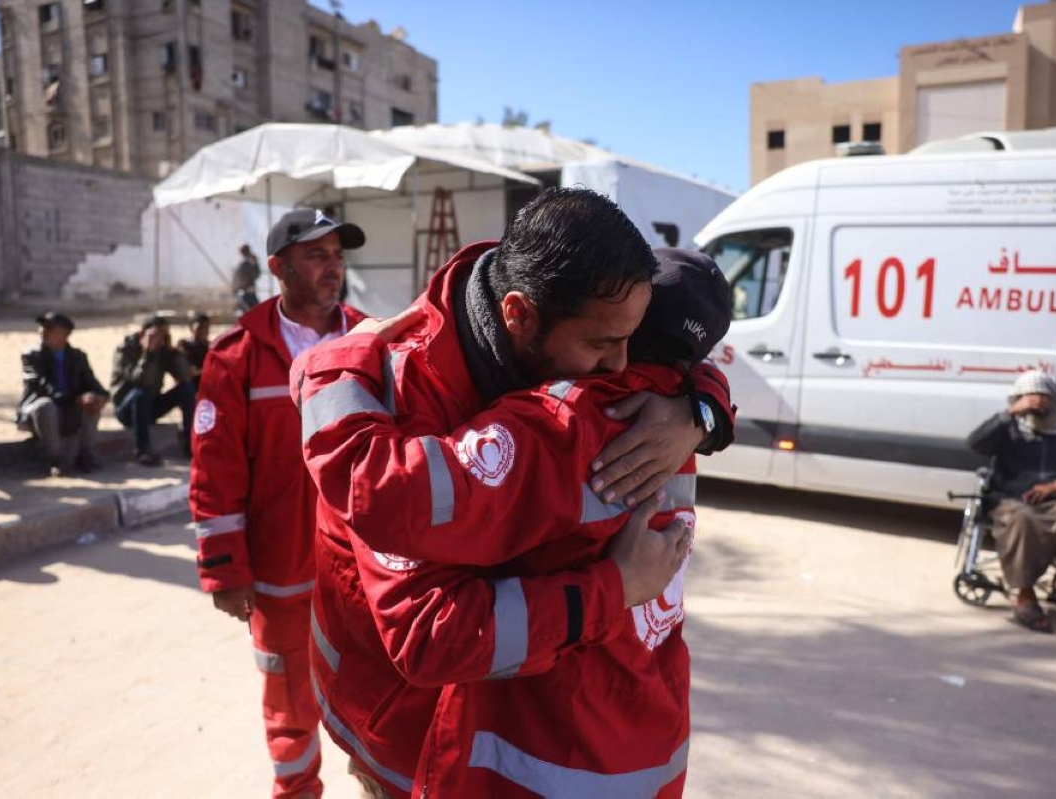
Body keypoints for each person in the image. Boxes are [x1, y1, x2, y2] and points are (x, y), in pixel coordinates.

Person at [294, 189, 734, 796]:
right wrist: (613, 590)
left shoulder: (621, 372)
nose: (621, 367)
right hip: (402, 733)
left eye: (633, 341)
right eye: (604, 345)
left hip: (482, 733)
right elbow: (430, 632)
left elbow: (672, 357)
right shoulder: (408, 400)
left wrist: (701, 406)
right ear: (519, 315)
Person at [189, 209, 367, 798]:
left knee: (381, 701)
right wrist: (224, 568)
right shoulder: (236, 355)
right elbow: (216, 469)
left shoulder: (371, 340)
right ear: (278, 268)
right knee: (291, 707)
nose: (332, 268)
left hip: (364, 572)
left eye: (337, 256)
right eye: (317, 256)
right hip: (281, 575)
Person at [967, 369, 1056, 633]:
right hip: (1014, 499)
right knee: (1021, 517)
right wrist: (1011, 412)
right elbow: (975, 444)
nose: (1036, 408)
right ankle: (1024, 593)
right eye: (1029, 401)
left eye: (1042, 402)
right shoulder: (1008, 425)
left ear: (1055, 401)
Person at [15, 311, 109, 475]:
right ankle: (56, 459)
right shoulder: (32, 355)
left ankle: (86, 455)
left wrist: (100, 397)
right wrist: (75, 399)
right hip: (39, 411)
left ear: (64, 334)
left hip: (69, 410)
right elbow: (42, 386)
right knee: (46, 405)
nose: (43, 331)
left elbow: (93, 384)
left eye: (50, 328)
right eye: (42, 327)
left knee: (93, 402)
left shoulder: (78, 356)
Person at [111, 315, 195, 466]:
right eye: (158, 334)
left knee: (186, 390)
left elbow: (184, 377)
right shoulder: (125, 350)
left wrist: (174, 353)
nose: (160, 338)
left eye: (164, 334)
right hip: (126, 409)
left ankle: (190, 444)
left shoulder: (163, 350)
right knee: (141, 393)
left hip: (150, 406)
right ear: (143, 333)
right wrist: (147, 353)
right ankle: (142, 450)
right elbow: (140, 380)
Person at [177, 311, 212, 391]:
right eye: (200, 328)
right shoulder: (184, 345)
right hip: (189, 387)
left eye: (206, 327)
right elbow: (185, 369)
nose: (203, 331)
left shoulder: (211, 347)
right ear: (191, 328)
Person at [233, 243, 262, 312]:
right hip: (248, 292)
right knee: (255, 312)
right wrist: (256, 263)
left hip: (244, 292)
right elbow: (256, 274)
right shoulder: (246, 264)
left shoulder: (241, 264)